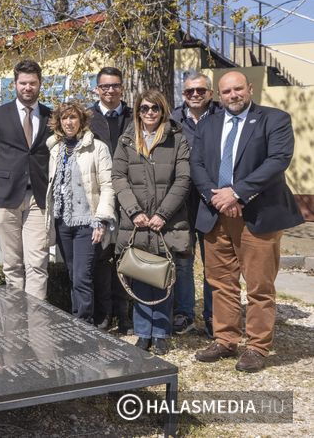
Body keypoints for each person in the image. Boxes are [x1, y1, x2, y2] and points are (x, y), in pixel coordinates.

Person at [192, 71, 304, 373]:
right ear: (219, 94)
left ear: (249, 89)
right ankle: (226, 339)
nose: (233, 96)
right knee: (221, 283)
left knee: (259, 286)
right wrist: (215, 197)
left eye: (238, 89)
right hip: (215, 214)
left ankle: (257, 347)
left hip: (258, 214)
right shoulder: (208, 123)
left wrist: (237, 194)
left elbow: (278, 160)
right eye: (226, 91)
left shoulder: (274, 119)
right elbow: (197, 163)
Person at [111, 90, 191, 356]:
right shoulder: (126, 139)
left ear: (163, 110)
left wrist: (163, 214)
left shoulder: (176, 138)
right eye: (144, 108)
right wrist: (134, 211)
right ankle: (143, 332)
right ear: (137, 111)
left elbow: (183, 180)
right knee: (141, 274)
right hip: (137, 221)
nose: (149, 113)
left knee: (164, 275)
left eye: (155, 108)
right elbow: (118, 178)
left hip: (165, 220)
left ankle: (161, 333)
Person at [0, 60, 52, 298]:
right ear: (15, 84)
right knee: (12, 265)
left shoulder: (52, 117)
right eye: (23, 83)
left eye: (32, 83)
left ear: (40, 84)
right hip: (5, 197)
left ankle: (36, 321)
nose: (27, 87)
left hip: (38, 199)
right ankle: (15, 323)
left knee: (37, 264)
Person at [44, 102, 116, 323]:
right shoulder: (56, 149)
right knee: (73, 274)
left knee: (82, 277)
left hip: (88, 222)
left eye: (73, 118)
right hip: (63, 222)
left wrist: (101, 220)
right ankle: (80, 321)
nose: (69, 122)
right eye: (64, 118)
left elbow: (107, 186)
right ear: (58, 122)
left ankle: (84, 323)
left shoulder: (97, 148)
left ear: (82, 121)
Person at [170, 71, 221, 339]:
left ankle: (214, 318)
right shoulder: (173, 120)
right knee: (183, 260)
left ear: (210, 93)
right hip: (182, 201)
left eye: (200, 90)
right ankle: (184, 314)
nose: (195, 95)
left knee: (213, 262)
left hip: (213, 200)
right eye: (190, 91)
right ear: (183, 94)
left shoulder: (222, 117)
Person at [87, 66, 134, 333]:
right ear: (97, 89)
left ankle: (125, 314)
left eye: (115, 85)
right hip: (100, 195)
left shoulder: (134, 116)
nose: (110, 91)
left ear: (122, 87)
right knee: (101, 258)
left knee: (126, 256)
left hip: (129, 194)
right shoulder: (88, 117)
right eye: (105, 86)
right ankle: (104, 314)